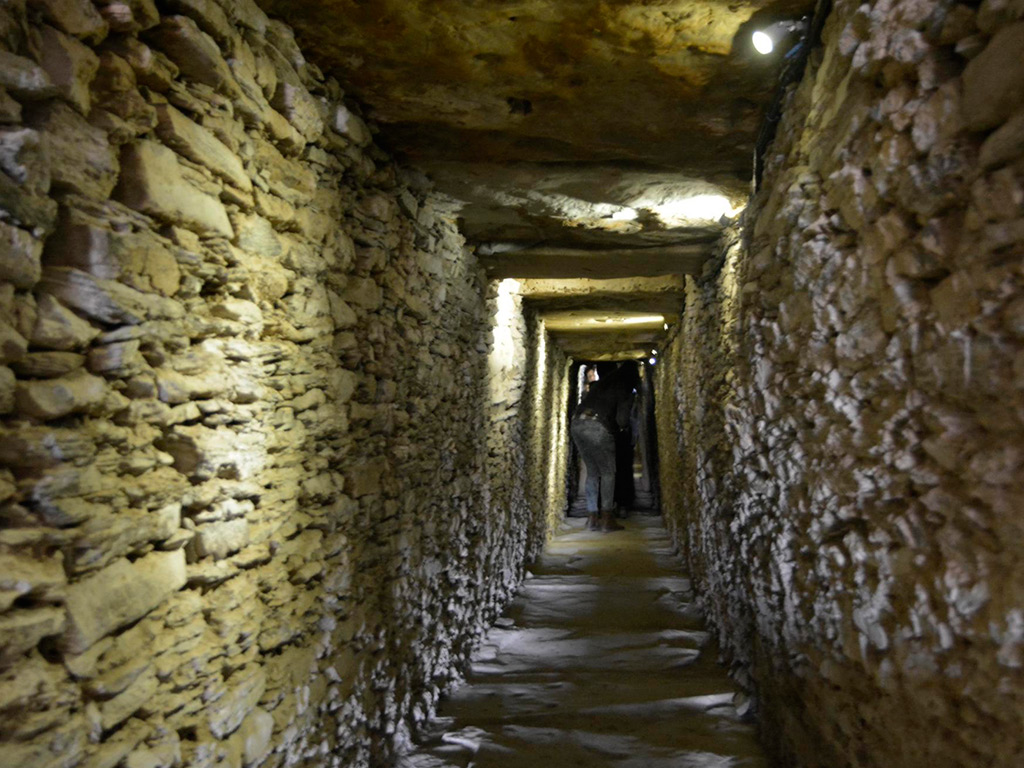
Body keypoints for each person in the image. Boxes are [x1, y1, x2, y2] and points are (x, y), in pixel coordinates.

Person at [570, 362, 639, 531]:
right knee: (608, 472)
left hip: (577, 424)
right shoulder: (624, 388)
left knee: (593, 472)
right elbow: (622, 420)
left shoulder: (601, 385)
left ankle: (592, 517)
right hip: (598, 427)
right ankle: (607, 518)